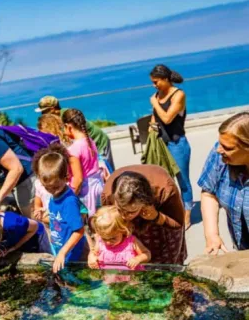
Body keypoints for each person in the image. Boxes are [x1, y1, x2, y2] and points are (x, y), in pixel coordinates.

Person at [101, 165, 187, 265]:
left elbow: (177, 223)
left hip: (161, 223)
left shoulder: (165, 189)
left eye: (130, 212)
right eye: (120, 210)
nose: (124, 216)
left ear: (145, 203)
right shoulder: (109, 193)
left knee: (168, 267)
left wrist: (156, 216)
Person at [32, 144, 88, 273]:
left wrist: (63, 252)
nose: (52, 191)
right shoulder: (55, 195)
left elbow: (79, 231)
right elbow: (60, 214)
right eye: (47, 188)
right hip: (60, 247)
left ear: (66, 177)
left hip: (73, 253)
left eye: (55, 187)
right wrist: (46, 211)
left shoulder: (69, 202)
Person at [198, 112, 249, 254]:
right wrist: (212, 235)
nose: (219, 150)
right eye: (220, 143)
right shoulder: (219, 155)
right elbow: (209, 192)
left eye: (228, 148)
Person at [149, 65, 193, 229]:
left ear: (166, 79)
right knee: (165, 181)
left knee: (183, 181)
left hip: (177, 144)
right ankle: (174, 210)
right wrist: (151, 129)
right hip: (162, 144)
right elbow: (156, 117)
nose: (154, 85)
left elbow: (167, 118)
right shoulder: (157, 95)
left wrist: (154, 102)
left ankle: (187, 215)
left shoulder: (178, 95)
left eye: (156, 82)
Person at [35, 95, 115, 171]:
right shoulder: (59, 117)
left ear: (53, 109)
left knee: (107, 169)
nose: (43, 114)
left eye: (44, 111)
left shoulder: (67, 116)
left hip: (99, 142)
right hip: (89, 144)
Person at [62, 108, 104, 216]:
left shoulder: (73, 150)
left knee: (89, 223)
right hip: (98, 186)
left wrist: (69, 199)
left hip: (86, 193)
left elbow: (78, 179)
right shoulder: (90, 141)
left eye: (64, 128)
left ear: (69, 127)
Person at [89, 205, 151, 270]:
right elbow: (93, 253)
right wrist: (91, 258)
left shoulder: (131, 242)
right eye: (104, 238)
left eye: (113, 238)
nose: (108, 242)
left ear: (123, 230)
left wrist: (137, 259)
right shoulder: (100, 242)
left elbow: (147, 254)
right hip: (109, 278)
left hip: (130, 278)